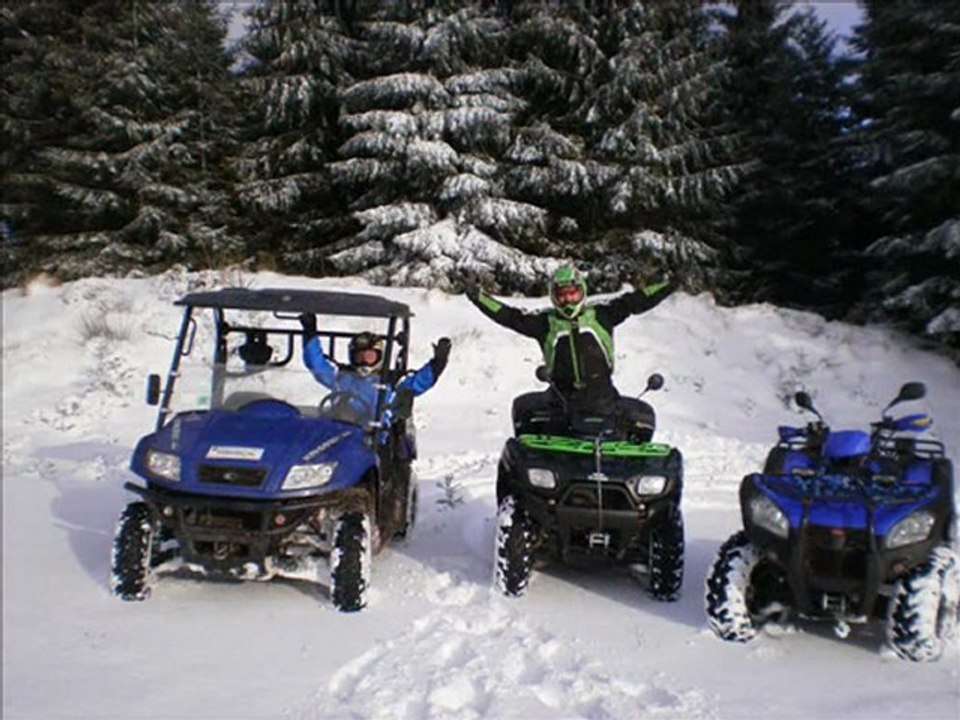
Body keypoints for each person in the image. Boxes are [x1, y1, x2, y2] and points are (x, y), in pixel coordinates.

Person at [466, 265, 673, 439]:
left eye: (573, 294)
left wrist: (671, 284)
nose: (568, 300)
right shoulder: (545, 323)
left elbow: (636, 301)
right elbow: (509, 316)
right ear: (554, 297)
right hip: (561, 403)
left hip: (604, 401)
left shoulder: (602, 314)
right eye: (562, 295)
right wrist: (478, 297)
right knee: (524, 412)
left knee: (642, 419)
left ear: (582, 292)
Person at [298, 313, 451, 426]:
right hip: (340, 434)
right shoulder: (343, 377)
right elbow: (316, 364)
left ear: (380, 356)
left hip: (376, 442)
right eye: (360, 357)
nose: (364, 361)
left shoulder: (391, 382)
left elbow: (419, 382)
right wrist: (310, 332)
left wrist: (438, 362)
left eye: (370, 356)